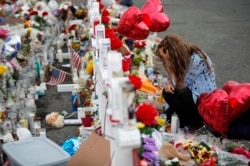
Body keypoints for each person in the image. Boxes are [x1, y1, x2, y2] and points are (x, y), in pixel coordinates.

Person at [155, 34, 217, 131]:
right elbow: (175, 81)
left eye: (165, 57)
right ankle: (182, 122)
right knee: (170, 92)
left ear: (174, 52)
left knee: (169, 93)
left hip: (203, 100)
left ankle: (196, 124)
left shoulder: (196, 59)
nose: (164, 60)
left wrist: (168, 65)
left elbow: (181, 85)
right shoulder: (184, 57)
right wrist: (170, 82)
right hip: (193, 94)